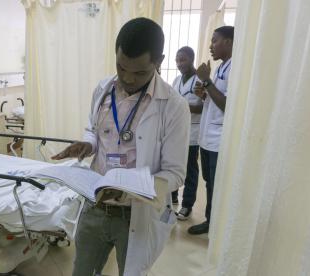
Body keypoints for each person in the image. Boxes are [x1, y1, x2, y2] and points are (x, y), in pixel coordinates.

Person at [52, 17, 190, 276]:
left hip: (136, 216)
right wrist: (87, 144)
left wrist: (129, 192)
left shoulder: (173, 106)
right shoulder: (103, 89)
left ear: (158, 62)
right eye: (121, 67)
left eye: (139, 72)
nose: (127, 78)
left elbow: (175, 173)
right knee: (82, 271)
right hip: (95, 207)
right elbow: (94, 130)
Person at [188, 26, 234, 235]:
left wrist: (206, 81)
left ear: (229, 42)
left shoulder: (235, 68)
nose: (210, 46)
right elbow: (217, 101)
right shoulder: (221, 67)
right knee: (209, 183)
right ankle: (211, 220)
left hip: (219, 139)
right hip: (208, 137)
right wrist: (205, 92)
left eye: (215, 40)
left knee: (217, 185)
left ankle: (214, 225)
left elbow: (228, 105)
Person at [171, 46, 203, 220]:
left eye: (182, 59)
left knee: (190, 169)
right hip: (176, 131)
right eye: (177, 60)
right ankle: (173, 196)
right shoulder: (177, 80)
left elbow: (202, 107)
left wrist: (181, 106)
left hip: (192, 132)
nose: (179, 63)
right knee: (173, 164)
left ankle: (187, 205)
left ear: (191, 59)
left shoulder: (200, 80)